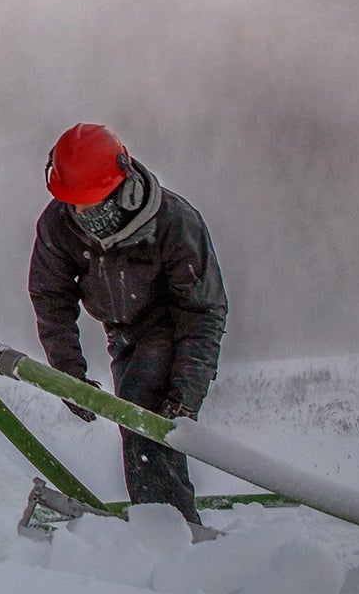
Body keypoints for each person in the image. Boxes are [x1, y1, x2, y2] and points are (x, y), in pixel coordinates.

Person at [29, 123, 227, 525]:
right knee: (138, 430)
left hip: (170, 326)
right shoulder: (58, 225)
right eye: (74, 204)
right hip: (121, 334)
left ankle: (170, 532)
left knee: (146, 422)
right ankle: (163, 523)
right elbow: (51, 299)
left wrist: (185, 394)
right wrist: (68, 375)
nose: (82, 215)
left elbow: (203, 311)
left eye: (93, 204)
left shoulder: (175, 223)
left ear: (126, 188)